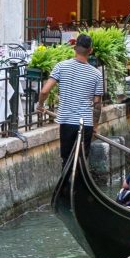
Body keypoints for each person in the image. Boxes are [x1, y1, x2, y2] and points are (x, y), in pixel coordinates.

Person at [40, 33, 107, 182]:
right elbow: (97, 105)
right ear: (91, 50)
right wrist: (95, 126)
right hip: (86, 124)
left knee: (67, 160)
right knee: (82, 161)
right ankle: (78, 191)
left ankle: (66, 188)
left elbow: (44, 91)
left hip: (68, 122)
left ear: (75, 48)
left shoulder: (61, 67)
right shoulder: (96, 74)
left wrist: (40, 105)